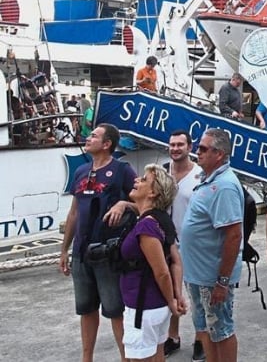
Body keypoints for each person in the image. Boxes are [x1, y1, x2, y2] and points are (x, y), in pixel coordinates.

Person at [59, 123, 138, 362]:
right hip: (82, 252)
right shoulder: (81, 171)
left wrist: (123, 204)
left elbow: (145, 204)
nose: (88, 138)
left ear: (107, 144)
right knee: (86, 309)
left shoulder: (122, 170)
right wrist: (64, 250)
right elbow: (74, 213)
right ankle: (87, 358)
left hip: (109, 253)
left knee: (116, 311)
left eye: (94, 136)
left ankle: (127, 358)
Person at [181, 128, 244, 362]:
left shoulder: (224, 186)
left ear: (219, 154)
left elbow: (233, 236)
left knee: (222, 330)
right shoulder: (210, 180)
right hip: (198, 276)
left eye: (203, 149)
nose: (197, 152)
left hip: (212, 278)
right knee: (206, 329)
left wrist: (222, 282)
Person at [120, 164, 187, 361]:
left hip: (143, 306)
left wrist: (172, 301)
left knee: (140, 357)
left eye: (143, 180)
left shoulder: (147, 226)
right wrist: (176, 296)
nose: (136, 181)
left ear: (153, 193)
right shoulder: (162, 219)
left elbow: (162, 271)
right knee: (157, 353)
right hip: (155, 306)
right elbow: (175, 261)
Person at [163, 130, 205, 361]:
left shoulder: (200, 175)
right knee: (170, 292)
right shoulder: (162, 172)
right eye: (172, 145)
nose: (175, 148)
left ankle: (200, 338)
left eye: (180, 144)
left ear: (190, 147)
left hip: (194, 246)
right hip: (166, 244)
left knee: (196, 295)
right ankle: (173, 336)